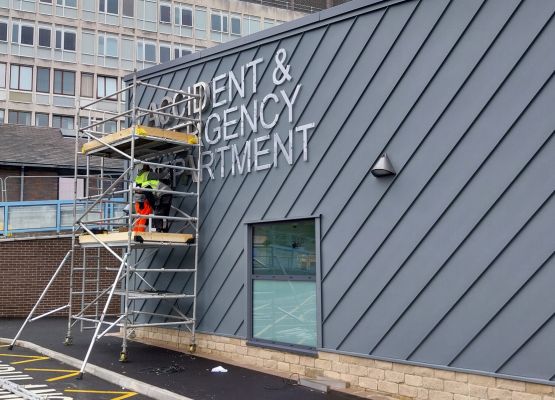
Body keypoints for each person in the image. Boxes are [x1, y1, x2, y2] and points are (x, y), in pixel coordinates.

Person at [134, 164, 172, 232]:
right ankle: (159, 230)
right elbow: (161, 175)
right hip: (146, 200)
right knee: (150, 215)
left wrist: (155, 206)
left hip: (139, 200)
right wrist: (168, 168)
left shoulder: (139, 176)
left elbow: (151, 197)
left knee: (157, 213)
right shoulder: (147, 178)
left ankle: (138, 232)